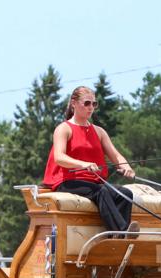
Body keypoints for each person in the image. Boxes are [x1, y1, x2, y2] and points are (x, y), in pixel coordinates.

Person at [42, 86, 139, 237]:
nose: (91, 107)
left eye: (94, 104)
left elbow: (116, 156)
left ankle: (117, 237)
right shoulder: (64, 129)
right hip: (67, 181)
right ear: (74, 103)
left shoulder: (99, 132)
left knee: (125, 193)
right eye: (87, 103)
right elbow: (59, 157)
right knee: (101, 191)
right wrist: (83, 164)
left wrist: (127, 167)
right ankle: (122, 233)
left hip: (93, 182)